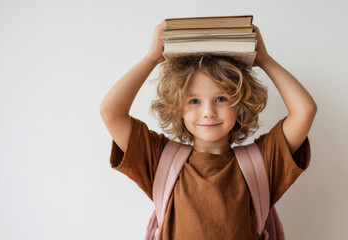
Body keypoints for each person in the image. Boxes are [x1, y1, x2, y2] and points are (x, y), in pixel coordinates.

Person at [99, 20, 317, 240]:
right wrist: (151, 58)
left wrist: (264, 60)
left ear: (240, 104)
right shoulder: (159, 159)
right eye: (194, 101)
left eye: (221, 98)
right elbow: (111, 112)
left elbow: (305, 111)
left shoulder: (261, 162)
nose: (208, 112)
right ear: (178, 108)